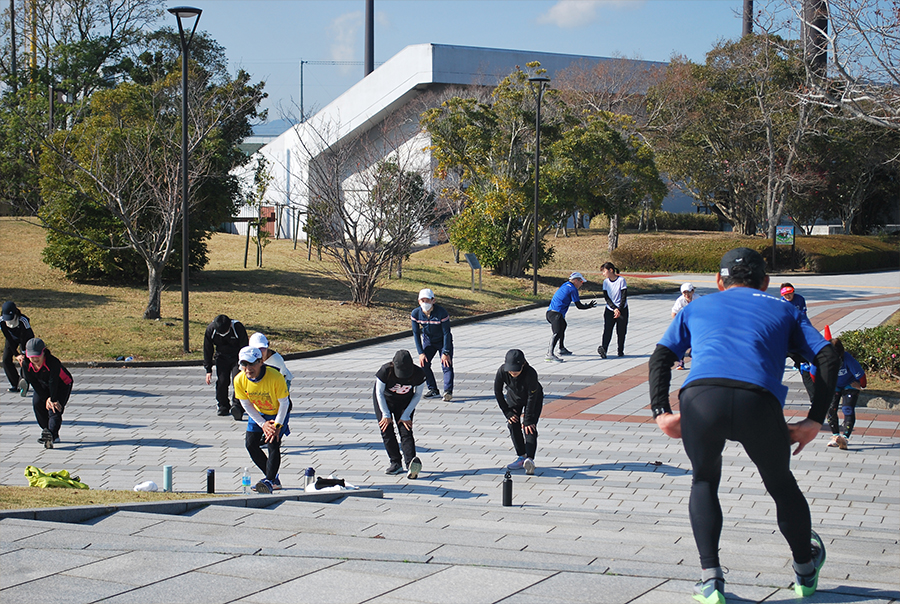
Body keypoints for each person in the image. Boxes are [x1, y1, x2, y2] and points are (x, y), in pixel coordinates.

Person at [649, 247, 840, 604]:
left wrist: (661, 410)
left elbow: (661, 356)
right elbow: (827, 354)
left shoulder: (695, 307)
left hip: (702, 397)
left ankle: (711, 580)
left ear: (719, 282)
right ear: (766, 282)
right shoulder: (786, 309)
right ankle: (804, 570)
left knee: (704, 479)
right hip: (758, 401)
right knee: (781, 485)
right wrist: (815, 419)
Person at [233, 346, 291, 494]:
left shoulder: (275, 377)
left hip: (277, 412)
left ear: (260, 362)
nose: (247, 369)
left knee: (273, 442)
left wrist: (277, 424)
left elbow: (285, 403)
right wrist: (262, 424)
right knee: (251, 444)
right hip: (259, 413)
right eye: (244, 364)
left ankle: (270, 481)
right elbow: (245, 404)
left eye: (251, 364)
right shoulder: (239, 379)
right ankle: (272, 478)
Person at [374, 350, 425, 478]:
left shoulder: (419, 374)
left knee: (406, 429)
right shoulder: (385, 371)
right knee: (386, 429)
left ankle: (411, 464)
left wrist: (406, 414)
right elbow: (379, 393)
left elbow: (418, 394)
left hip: (405, 402)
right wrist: (386, 414)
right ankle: (395, 462)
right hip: (385, 400)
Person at [495, 349, 543, 475]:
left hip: (533, 399)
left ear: (523, 364)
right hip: (514, 398)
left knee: (529, 427)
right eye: (511, 370)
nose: (513, 373)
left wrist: (527, 419)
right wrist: (507, 412)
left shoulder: (531, 373)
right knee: (512, 423)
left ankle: (530, 459)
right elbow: (497, 392)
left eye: (516, 370)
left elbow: (532, 398)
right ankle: (521, 456)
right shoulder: (502, 371)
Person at [20, 338, 73, 449]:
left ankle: (53, 434)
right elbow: (33, 382)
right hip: (42, 385)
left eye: (37, 356)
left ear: (43, 352)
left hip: (62, 385)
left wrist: (52, 399)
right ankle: (46, 432)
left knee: (54, 408)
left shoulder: (52, 362)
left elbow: (53, 381)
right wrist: (45, 397)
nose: (34, 359)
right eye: (31, 356)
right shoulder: (25, 364)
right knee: (37, 404)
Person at [203, 314, 249, 419]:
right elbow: (207, 349)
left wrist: (244, 364)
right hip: (221, 358)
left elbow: (245, 347)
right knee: (222, 381)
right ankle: (223, 405)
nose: (223, 335)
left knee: (237, 381)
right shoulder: (211, 329)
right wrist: (208, 369)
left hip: (237, 358)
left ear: (229, 326)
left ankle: (237, 406)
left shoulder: (237, 327)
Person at [411, 288, 454, 401]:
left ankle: (448, 391)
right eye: (422, 300)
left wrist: (446, 352)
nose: (425, 303)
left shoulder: (441, 312)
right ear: (419, 301)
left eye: (427, 300)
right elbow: (416, 334)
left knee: (446, 364)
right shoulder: (416, 313)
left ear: (433, 300)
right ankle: (433, 389)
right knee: (424, 364)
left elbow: (446, 333)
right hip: (428, 341)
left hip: (442, 341)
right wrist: (421, 353)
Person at [825, 338, 867, 450]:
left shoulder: (849, 360)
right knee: (831, 408)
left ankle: (845, 438)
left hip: (849, 384)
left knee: (847, 408)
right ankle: (835, 436)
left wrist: (861, 386)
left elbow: (862, 377)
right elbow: (814, 373)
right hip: (835, 384)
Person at [546, 272, 596, 362]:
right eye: (581, 281)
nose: (582, 284)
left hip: (551, 313)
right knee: (557, 332)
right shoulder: (573, 289)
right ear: (576, 280)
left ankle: (561, 348)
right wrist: (589, 306)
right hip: (555, 314)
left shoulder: (566, 285)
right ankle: (549, 354)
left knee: (563, 326)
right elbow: (579, 306)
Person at [2, 301, 35, 393]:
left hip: (25, 338)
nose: (8, 320)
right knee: (5, 360)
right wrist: (16, 354)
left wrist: (23, 353)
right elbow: (7, 337)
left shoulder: (23, 321)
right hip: (11, 339)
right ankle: (15, 384)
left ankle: (24, 382)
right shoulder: (2, 321)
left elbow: (26, 336)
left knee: (25, 361)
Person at [599, 262, 628, 358]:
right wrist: (614, 308)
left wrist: (619, 309)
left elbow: (623, 296)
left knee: (621, 331)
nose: (603, 274)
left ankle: (620, 350)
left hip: (622, 309)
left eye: (604, 271)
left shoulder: (621, 280)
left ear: (611, 270)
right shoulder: (606, 282)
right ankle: (604, 349)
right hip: (610, 309)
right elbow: (606, 297)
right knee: (607, 330)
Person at [670, 283, 695, 370]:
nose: (686, 295)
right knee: (682, 342)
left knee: (695, 340)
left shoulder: (698, 299)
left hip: (695, 322)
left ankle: (694, 356)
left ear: (693, 292)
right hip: (684, 322)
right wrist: (678, 323)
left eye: (688, 292)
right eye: (684, 293)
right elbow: (674, 313)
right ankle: (681, 362)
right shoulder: (680, 300)